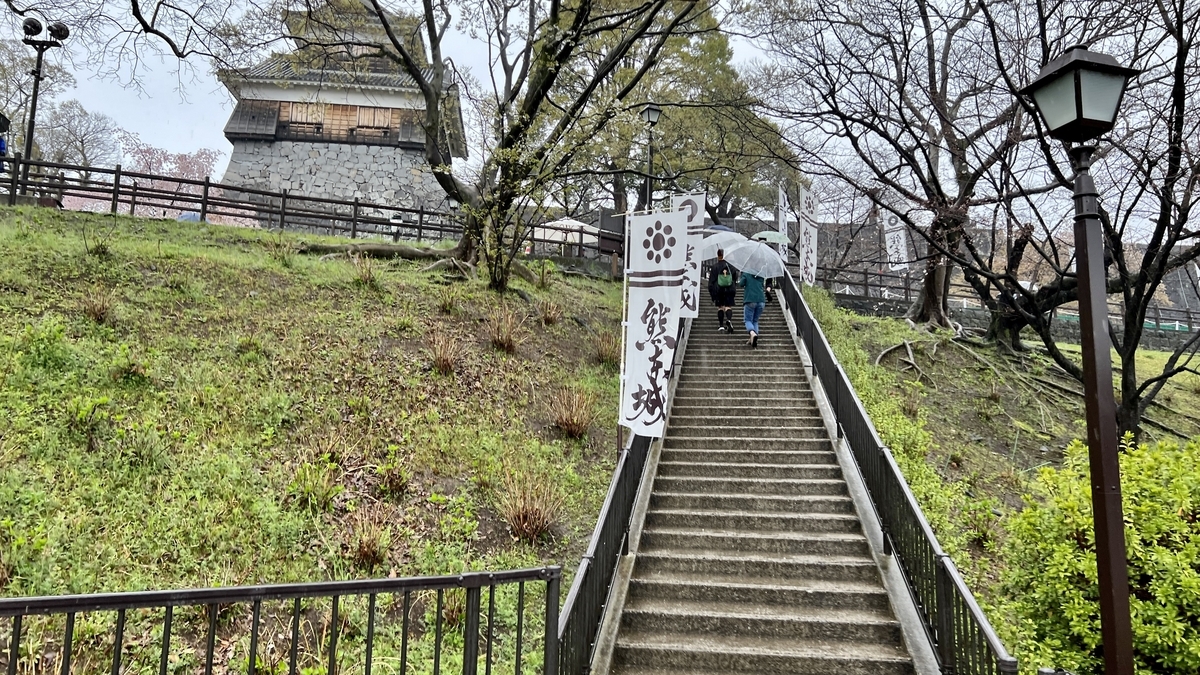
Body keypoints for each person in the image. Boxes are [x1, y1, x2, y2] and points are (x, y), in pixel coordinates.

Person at [707, 249, 738, 332]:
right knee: (728, 306)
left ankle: (721, 325)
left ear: (718, 255)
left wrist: (712, 293)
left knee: (720, 307)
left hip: (718, 289)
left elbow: (711, 282)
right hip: (729, 289)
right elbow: (735, 278)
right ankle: (728, 320)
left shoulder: (715, 267)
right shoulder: (731, 267)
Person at [738, 270, 766, 348]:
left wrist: (743, 275)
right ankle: (753, 339)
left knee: (748, 320)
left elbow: (741, 284)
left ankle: (752, 333)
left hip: (750, 299)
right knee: (755, 320)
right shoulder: (761, 274)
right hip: (761, 300)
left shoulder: (746, 273)